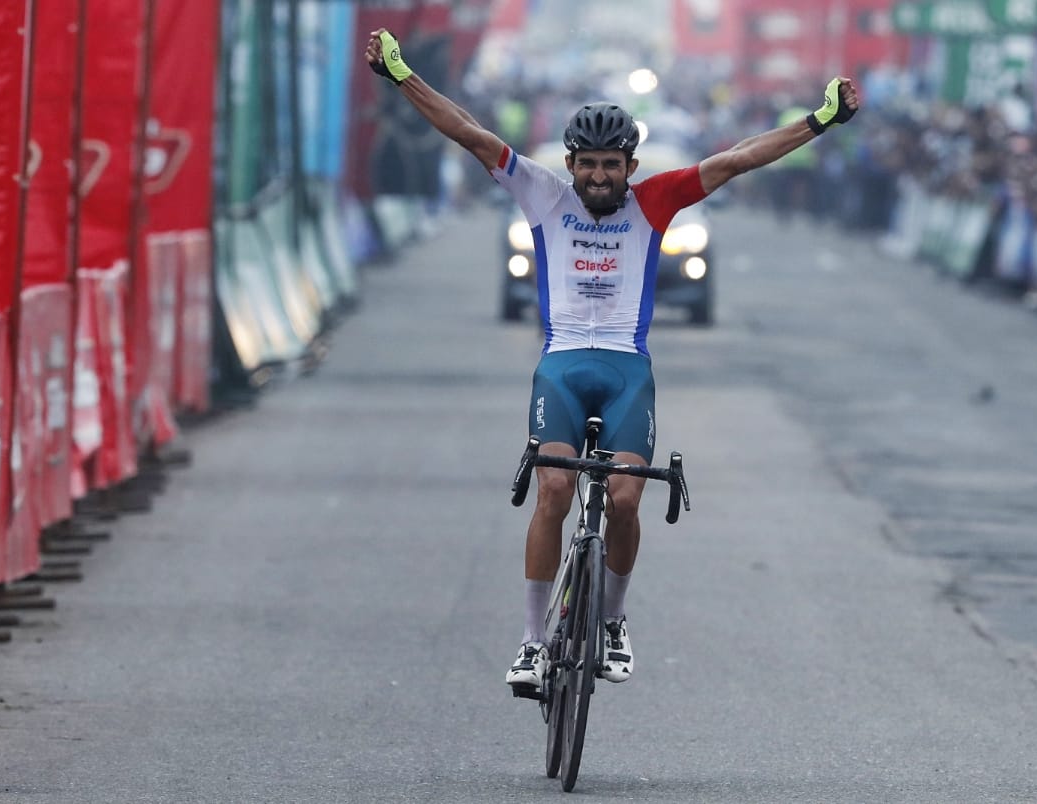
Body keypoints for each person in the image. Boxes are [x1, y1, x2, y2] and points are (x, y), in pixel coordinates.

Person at [365, 29, 858, 692]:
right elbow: (466, 129)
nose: (599, 176)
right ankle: (533, 640)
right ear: (570, 163)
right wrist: (399, 75)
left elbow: (740, 158)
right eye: (588, 163)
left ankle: (615, 622)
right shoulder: (542, 195)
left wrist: (822, 120)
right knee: (554, 488)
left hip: (627, 370)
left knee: (626, 498)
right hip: (563, 366)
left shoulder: (655, 203)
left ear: (631, 166)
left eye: (612, 164)